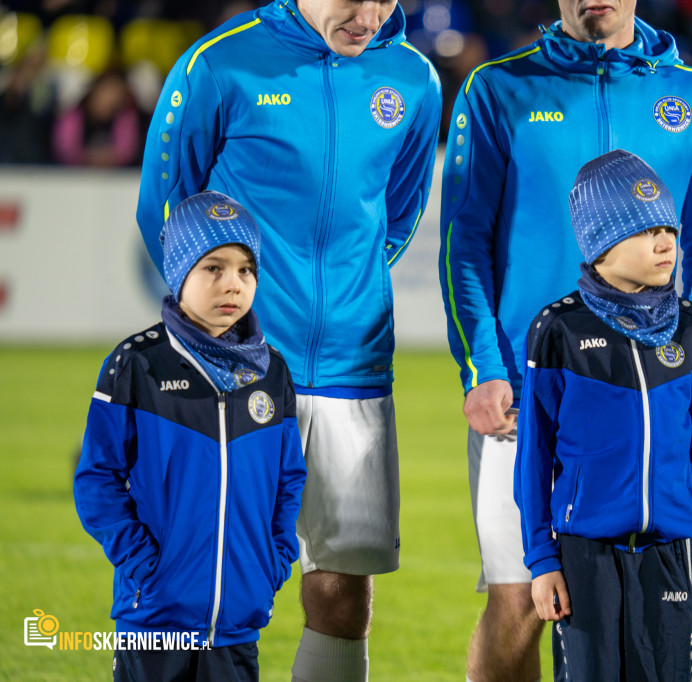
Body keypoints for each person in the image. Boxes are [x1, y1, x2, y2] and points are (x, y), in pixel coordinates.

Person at [135, 2, 442, 680]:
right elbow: (163, 204)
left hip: (352, 369)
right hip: (231, 371)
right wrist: (218, 330)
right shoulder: (220, 62)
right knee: (195, 585)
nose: (367, 14)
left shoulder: (414, 80)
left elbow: (400, 209)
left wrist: (345, 294)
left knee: (341, 589)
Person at [438, 2, 692, 677]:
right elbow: (464, 243)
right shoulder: (497, 88)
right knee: (520, 602)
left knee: (641, 606)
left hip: (650, 391)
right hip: (526, 394)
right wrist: (482, 365)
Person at [513, 150, 692, 681]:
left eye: (669, 229)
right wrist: (542, 561)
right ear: (599, 245)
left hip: (675, 549)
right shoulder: (557, 329)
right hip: (585, 552)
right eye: (643, 231)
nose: (665, 243)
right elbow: (534, 459)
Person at [73, 191, 307, 681]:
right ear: (178, 271)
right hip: (155, 620)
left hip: (238, 624)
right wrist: (145, 567)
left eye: (245, 270)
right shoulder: (136, 364)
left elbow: (289, 480)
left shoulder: (272, 372)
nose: (233, 284)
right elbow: (97, 481)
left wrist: (274, 560)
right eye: (213, 268)